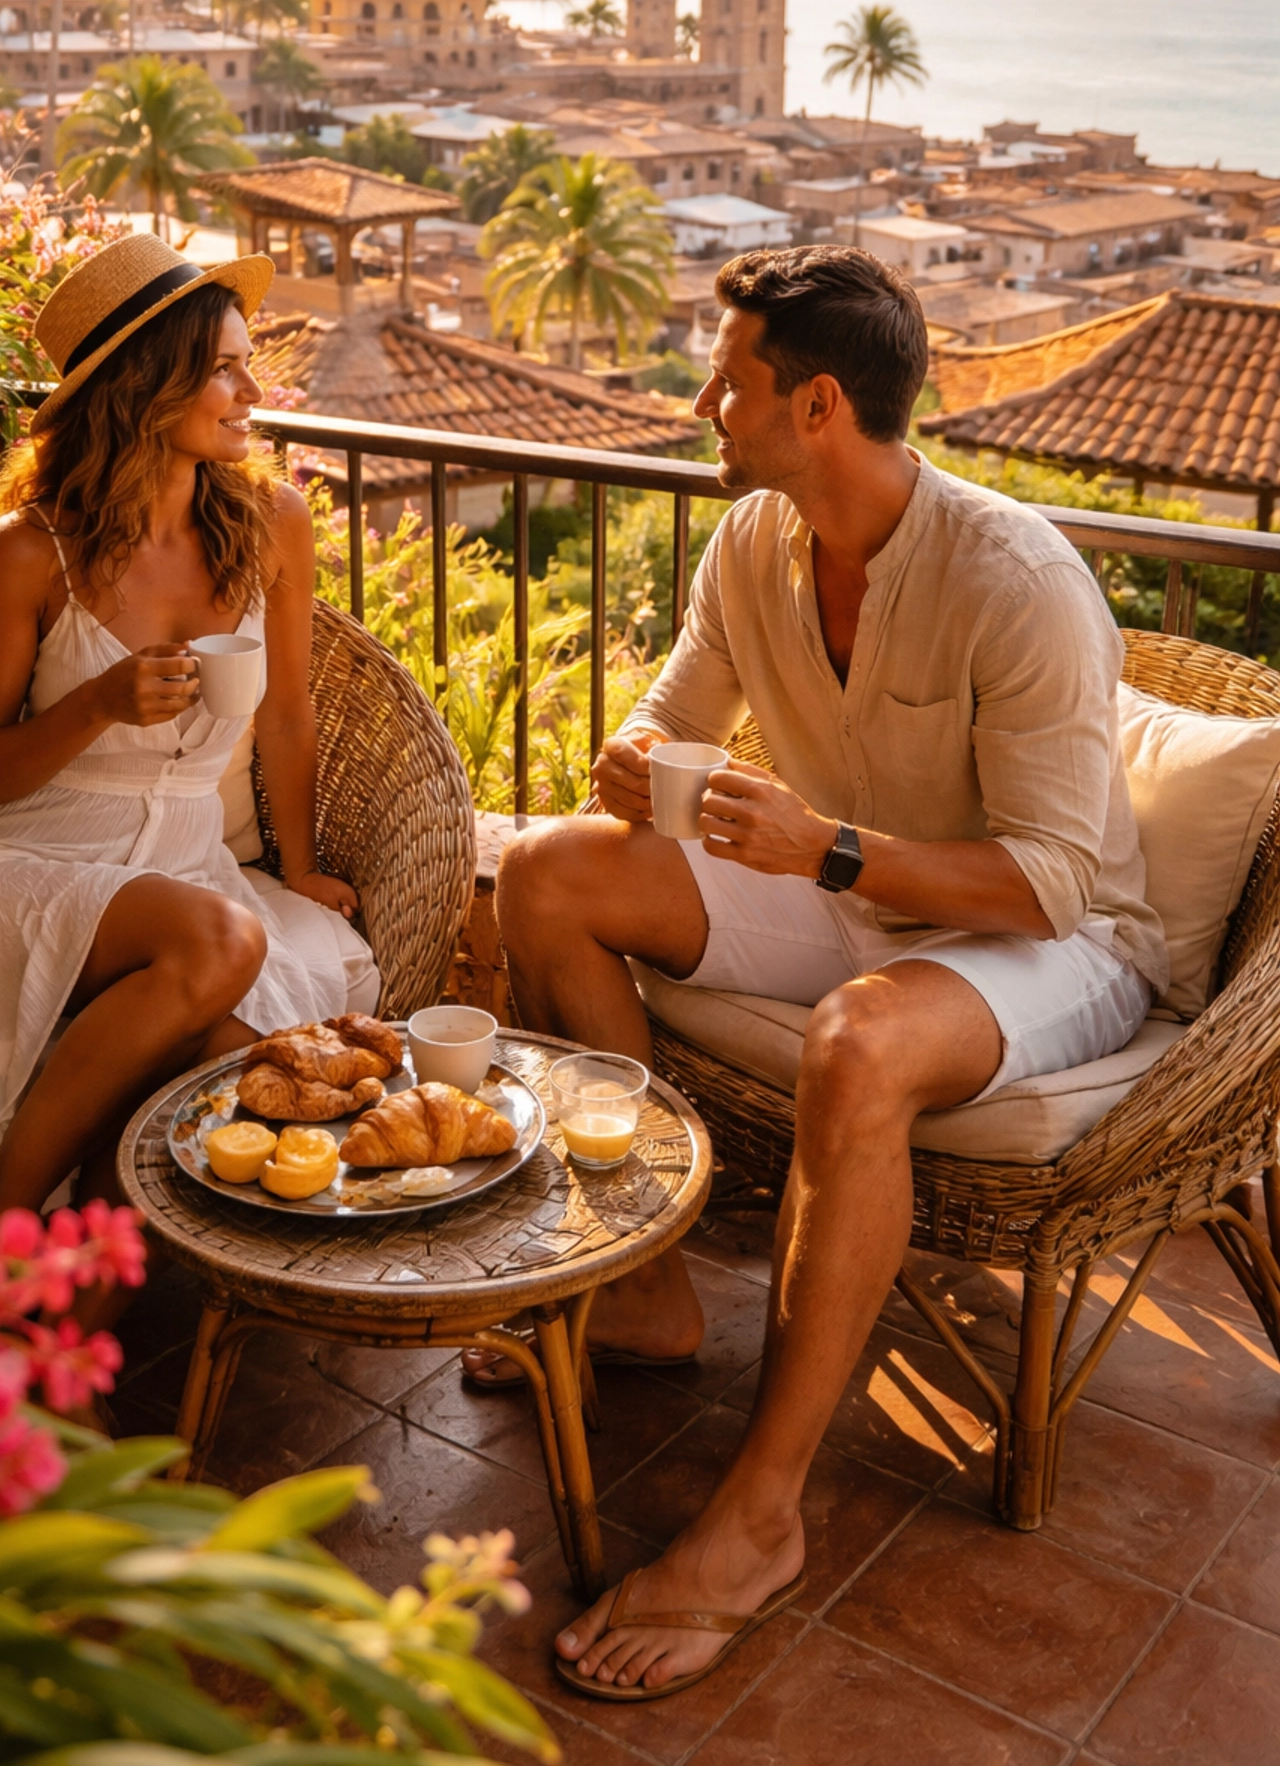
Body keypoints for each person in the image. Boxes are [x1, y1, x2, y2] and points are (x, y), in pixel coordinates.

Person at [482, 245, 1166, 1703]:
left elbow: (1053, 874)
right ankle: (654, 1290)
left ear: (818, 407)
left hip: (1050, 947)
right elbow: (675, 727)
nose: (702, 406)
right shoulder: (753, 546)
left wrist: (830, 849)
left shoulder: (1016, 579)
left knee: (857, 1043)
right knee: (543, 872)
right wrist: (627, 771)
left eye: (726, 383)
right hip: (848, 893)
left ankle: (763, 1517)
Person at [0, 232, 379, 1215]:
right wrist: (98, 704)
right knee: (220, 947)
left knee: (227, 1061)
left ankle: (76, 1292)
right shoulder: (30, 554)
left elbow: (285, 711)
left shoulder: (272, 520)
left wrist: (300, 867)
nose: (252, 393)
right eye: (224, 371)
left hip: (186, 866)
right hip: (21, 864)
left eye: (249, 366)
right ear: (147, 387)